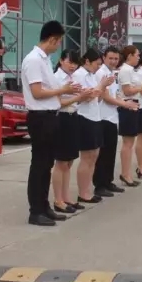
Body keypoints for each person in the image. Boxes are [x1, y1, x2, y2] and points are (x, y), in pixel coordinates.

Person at [21, 21, 82, 226]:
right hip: (40, 117)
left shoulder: (45, 60)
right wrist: (62, 91)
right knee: (39, 164)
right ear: (52, 39)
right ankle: (35, 211)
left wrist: (64, 89)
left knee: (47, 164)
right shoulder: (33, 60)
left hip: (51, 115)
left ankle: (44, 206)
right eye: (58, 42)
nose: (58, 46)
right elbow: (37, 93)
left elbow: (50, 88)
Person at [93, 46, 138, 198]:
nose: (113, 61)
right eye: (110, 58)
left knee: (111, 152)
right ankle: (99, 184)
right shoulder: (101, 73)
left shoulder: (112, 73)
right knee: (103, 153)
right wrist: (125, 104)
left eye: (116, 58)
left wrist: (124, 102)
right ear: (104, 58)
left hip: (112, 116)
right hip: (102, 117)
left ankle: (108, 181)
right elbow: (105, 96)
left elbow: (115, 95)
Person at [73, 48, 114, 204]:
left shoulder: (92, 76)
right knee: (86, 156)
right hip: (84, 117)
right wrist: (102, 85)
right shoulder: (79, 75)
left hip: (95, 116)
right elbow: (86, 96)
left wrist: (102, 86)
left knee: (94, 155)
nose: (98, 67)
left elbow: (97, 98)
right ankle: (83, 192)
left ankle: (88, 188)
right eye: (96, 64)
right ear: (87, 61)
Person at [52, 50, 90, 214]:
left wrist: (86, 95)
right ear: (61, 61)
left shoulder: (72, 78)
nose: (73, 66)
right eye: (70, 62)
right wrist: (77, 97)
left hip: (73, 116)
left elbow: (77, 100)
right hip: (61, 118)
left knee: (69, 161)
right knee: (61, 162)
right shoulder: (56, 79)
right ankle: (58, 200)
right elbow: (57, 103)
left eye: (75, 63)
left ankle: (66, 197)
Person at [117, 45, 142, 187]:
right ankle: (125, 173)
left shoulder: (130, 70)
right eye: (137, 55)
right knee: (128, 143)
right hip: (127, 105)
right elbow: (127, 91)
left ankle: (128, 173)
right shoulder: (125, 70)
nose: (138, 57)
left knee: (131, 142)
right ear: (129, 56)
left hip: (135, 105)